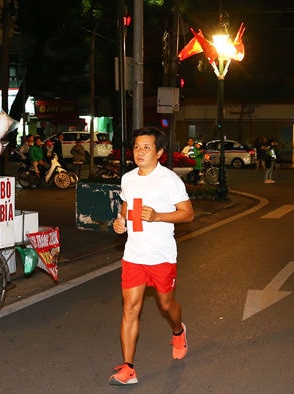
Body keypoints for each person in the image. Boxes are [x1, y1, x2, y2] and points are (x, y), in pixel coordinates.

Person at [109, 127, 194, 386]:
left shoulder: (169, 180)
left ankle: (179, 332)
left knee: (166, 306)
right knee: (130, 309)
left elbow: (188, 214)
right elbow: (126, 205)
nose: (140, 152)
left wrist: (158, 216)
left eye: (146, 147)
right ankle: (129, 368)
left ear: (159, 153)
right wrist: (120, 221)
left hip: (161, 256)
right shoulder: (128, 178)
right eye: (136, 146)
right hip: (134, 254)